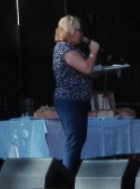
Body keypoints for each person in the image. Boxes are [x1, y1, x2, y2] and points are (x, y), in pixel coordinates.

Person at [52, 15, 100, 174]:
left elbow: (90, 71)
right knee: (74, 139)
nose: (81, 33)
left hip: (79, 101)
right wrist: (93, 52)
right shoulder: (63, 48)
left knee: (78, 139)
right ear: (71, 31)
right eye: (79, 30)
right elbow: (86, 68)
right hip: (69, 101)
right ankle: (67, 177)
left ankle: (71, 174)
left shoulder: (75, 49)